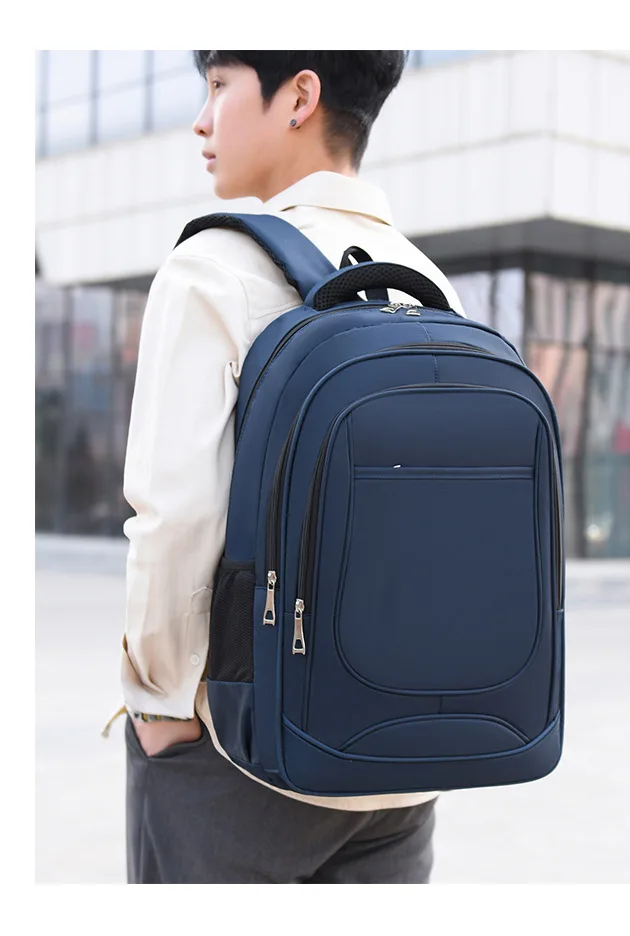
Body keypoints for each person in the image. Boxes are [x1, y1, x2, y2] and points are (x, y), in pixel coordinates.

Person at [102, 50, 466, 885]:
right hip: (409, 751)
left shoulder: (213, 268)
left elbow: (175, 516)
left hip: (240, 749)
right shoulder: (427, 283)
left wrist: (159, 705)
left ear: (300, 96)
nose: (202, 120)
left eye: (219, 85)